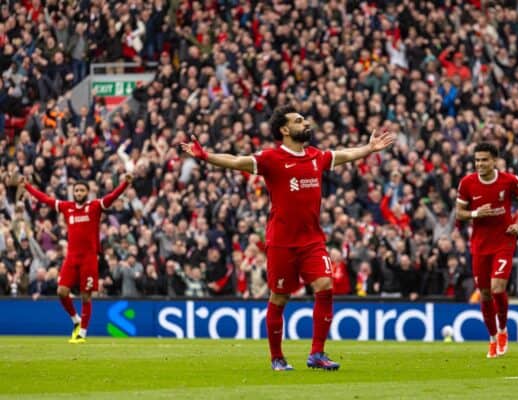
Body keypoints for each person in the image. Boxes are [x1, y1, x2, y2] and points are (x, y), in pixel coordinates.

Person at [182, 104, 395, 371]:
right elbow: (237, 161)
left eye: (304, 119)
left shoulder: (316, 156)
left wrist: (368, 149)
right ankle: (277, 358)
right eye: (298, 120)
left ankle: (317, 353)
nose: (305, 123)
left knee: (325, 288)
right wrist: (205, 156)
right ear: (284, 129)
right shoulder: (272, 158)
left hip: (313, 241)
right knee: (279, 298)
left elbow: (344, 155)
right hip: (282, 242)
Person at [20, 173, 132, 343]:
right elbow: (45, 199)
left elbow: (112, 196)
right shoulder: (67, 207)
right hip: (71, 257)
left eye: (81, 190)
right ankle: (76, 320)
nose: (79, 193)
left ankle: (83, 333)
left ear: (87, 192)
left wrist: (125, 183)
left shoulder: (95, 206)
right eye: (76, 190)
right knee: (61, 291)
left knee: (86, 296)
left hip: (88, 258)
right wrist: (27, 186)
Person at [456, 142, 518, 358]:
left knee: (498, 288)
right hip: (480, 245)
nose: (480, 164)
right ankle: (491, 339)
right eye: (477, 160)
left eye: (484, 160)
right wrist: (474, 214)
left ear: (494, 160)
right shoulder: (467, 183)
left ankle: (502, 330)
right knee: (485, 294)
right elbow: (459, 213)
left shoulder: (509, 180)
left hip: (504, 241)